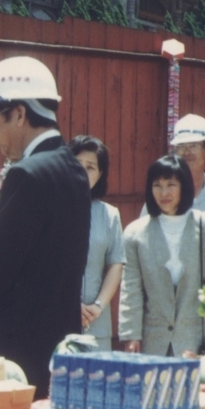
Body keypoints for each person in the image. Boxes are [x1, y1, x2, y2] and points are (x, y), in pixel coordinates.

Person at [0, 56, 91, 397]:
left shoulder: (27, 174)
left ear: (19, 114)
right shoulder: (72, 169)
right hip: (52, 346)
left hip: (12, 350)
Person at [119, 155, 205, 357]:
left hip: (196, 339)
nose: (164, 192)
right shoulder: (135, 233)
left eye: (171, 184)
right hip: (152, 340)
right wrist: (131, 336)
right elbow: (131, 289)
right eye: (157, 185)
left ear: (184, 186)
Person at [140, 114, 205, 249]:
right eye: (181, 147)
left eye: (193, 146)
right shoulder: (162, 195)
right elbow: (143, 241)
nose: (187, 152)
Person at [69, 135, 125, 349]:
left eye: (90, 167)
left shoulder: (109, 215)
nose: (83, 171)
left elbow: (115, 264)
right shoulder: (52, 209)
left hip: (96, 323)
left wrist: (98, 306)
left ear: (100, 174)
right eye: (77, 164)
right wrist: (72, 305)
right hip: (58, 320)